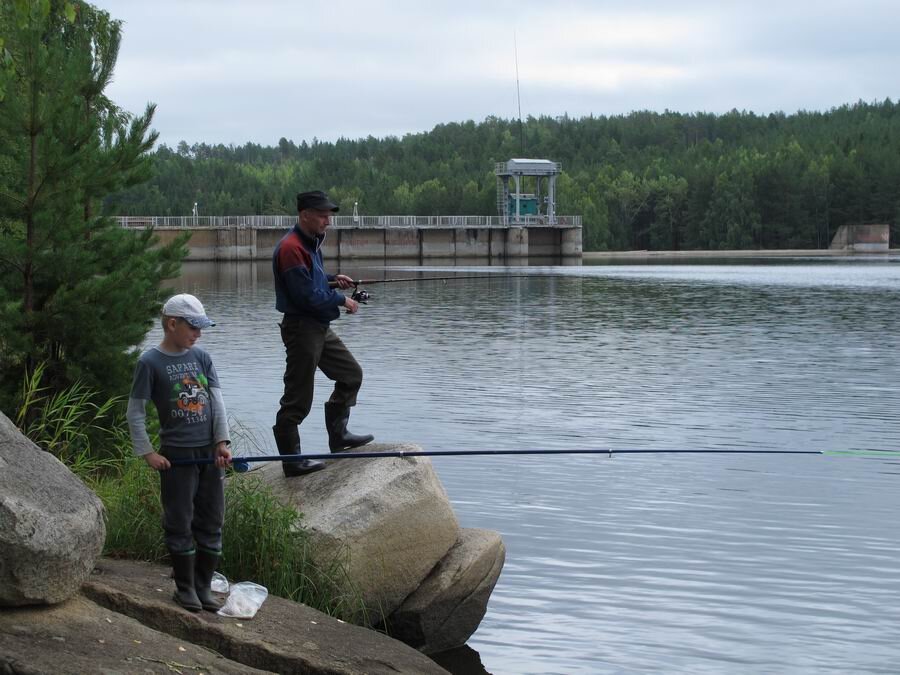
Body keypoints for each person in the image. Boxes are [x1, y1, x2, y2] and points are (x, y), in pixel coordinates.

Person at [126, 293, 232, 612]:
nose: (198, 334)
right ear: (172, 324)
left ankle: (204, 586)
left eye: (200, 328)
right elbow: (135, 412)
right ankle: (185, 588)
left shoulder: (202, 358)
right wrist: (148, 453)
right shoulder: (150, 362)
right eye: (193, 327)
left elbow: (217, 402)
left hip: (209, 455)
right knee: (179, 520)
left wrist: (222, 443)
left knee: (212, 519)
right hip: (176, 456)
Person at [271, 189, 374, 478]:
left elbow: (312, 284)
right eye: (323, 215)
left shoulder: (310, 243)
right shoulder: (292, 248)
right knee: (297, 398)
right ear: (305, 215)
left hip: (318, 327)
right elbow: (306, 297)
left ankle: (338, 438)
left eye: (329, 215)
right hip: (302, 329)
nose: (328, 221)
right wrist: (343, 300)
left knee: (351, 374)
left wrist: (332, 281)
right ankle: (292, 462)